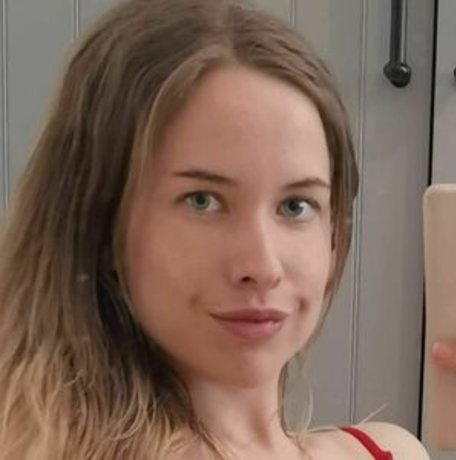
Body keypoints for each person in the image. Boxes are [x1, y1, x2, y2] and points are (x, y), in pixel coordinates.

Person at [0, 0, 430, 458]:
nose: (262, 266)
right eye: (202, 201)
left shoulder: (390, 451)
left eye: (296, 206)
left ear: (335, 235)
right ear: (100, 224)